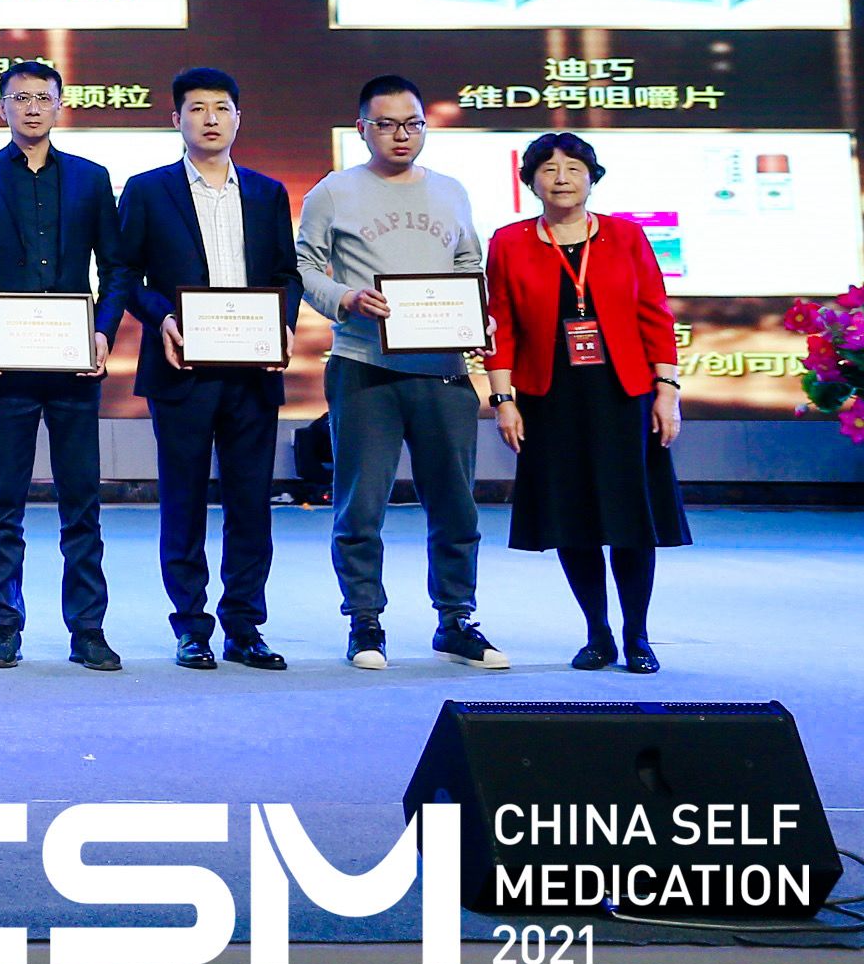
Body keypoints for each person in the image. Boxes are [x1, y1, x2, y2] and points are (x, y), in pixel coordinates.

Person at [297, 75, 509, 673]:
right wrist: (345, 298)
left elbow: (467, 262)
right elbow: (303, 266)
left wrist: (474, 314)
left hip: (443, 369)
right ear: (362, 128)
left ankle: (456, 619)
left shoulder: (450, 191)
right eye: (386, 124)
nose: (401, 135)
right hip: (365, 367)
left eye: (412, 124)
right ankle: (364, 620)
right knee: (361, 505)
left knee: (456, 505)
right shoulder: (334, 191)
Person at [115, 67, 301, 672]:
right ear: (177, 119)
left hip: (253, 371)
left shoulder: (268, 193)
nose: (211, 118)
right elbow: (125, 276)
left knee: (251, 502)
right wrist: (163, 317)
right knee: (184, 500)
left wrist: (284, 321)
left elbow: (287, 274)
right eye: (197, 108)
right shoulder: (147, 190)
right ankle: (191, 626)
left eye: (222, 107)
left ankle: (245, 626)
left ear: (238, 118)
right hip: (181, 368)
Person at [0, 59, 125, 671]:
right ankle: (4, 625)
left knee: (82, 502)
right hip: (6, 366)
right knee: (6, 501)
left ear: (60, 104)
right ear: (1, 107)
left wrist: (103, 332)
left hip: (75, 367)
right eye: (19, 98)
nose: (31, 107)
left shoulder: (92, 178)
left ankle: (88, 630)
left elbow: (116, 268)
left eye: (42, 97)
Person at [485, 133, 687, 675]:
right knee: (571, 519)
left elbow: (655, 314)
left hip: (624, 394)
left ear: (592, 178)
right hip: (550, 398)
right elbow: (500, 323)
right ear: (530, 181)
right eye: (548, 169)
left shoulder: (626, 235)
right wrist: (503, 398)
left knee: (631, 519)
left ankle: (638, 635)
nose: (562, 178)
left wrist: (667, 390)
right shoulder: (509, 242)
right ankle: (598, 633)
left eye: (574, 168)